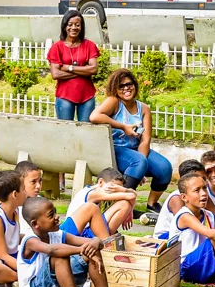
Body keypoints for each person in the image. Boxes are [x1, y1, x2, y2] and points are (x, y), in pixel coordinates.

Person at [18, 197, 141, 287]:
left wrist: (94, 242)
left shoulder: (58, 234)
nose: (58, 217)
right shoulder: (30, 240)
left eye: (56, 212)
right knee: (61, 256)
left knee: (90, 252)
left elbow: (96, 242)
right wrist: (84, 249)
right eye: (51, 215)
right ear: (36, 224)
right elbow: (54, 250)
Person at [90, 69, 172, 218]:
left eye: (129, 84)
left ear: (135, 85)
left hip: (135, 148)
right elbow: (94, 116)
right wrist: (123, 127)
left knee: (164, 168)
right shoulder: (114, 102)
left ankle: (152, 203)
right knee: (138, 161)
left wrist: (141, 168)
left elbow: (145, 139)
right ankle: (122, 203)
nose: (126, 88)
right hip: (116, 148)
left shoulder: (144, 108)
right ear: (115, 89)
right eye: (121, 86)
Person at [47, 9, 100, 121]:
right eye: (70, 24)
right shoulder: (57, 47)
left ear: (81, 27)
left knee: (86, 130)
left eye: (77, 25)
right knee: (66, 131)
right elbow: (55, 74)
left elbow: (94, 69)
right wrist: (83, 71)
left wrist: (69, 68)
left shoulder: (89, 45)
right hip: (64, 96)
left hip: (87, 96)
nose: (74, 28)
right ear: (65, 26)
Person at [65, 167, 137, 236]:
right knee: (124, 204)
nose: (115, 191)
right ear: (101, 182)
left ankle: (105, 237)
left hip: (83, 230)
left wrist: (130, 211)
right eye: (113, 187)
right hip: (78, 233)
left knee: (125, 204)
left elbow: (133, 195)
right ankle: (106, 240)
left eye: (118, 189)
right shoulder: (93, 194)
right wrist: (123, 190)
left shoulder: (90, 189)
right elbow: (132, 196)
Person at [153, 159, 205, 238]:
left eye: (204, 178)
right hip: (166, 237)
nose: (202, 182)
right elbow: (185, 223)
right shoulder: (177, 198)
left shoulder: (202, 193)